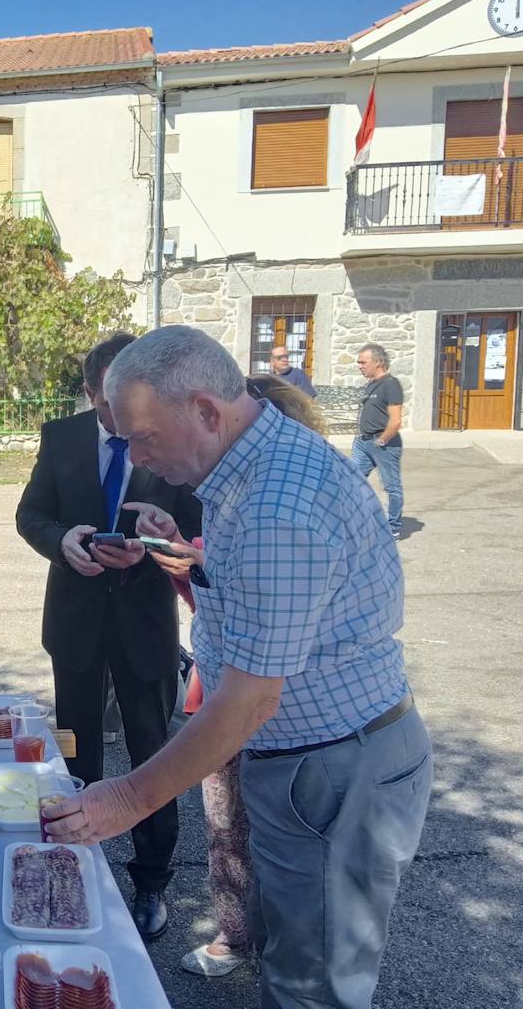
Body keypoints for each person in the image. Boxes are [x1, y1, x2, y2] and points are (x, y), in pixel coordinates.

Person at [44, 326, 432, 1009]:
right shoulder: (246, 471)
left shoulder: (272, 506)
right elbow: (252, 610)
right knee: (292, 955)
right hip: (311, 757)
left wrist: (126, 798)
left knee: (311, 986)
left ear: (205, 410)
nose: (136, 456)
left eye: (143, 437)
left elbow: (250, 699)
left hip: (336, 765)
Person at [15, 331, 202, 941]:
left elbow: (197, 531)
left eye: (128, 413)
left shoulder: (170, 437)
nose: (119, 426)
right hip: (75, 620)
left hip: (145, 624)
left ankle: (151, 882)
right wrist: (63, 543)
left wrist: (159, 543)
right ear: (92, 392)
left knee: (153, 755)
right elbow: (31, 515)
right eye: (105, 410)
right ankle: (76, 868)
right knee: (75, 753)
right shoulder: (60, 436)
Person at [153, 373, 326, 978]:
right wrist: (184, 554)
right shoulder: (229, 503)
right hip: (224, 696)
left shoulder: (281, 506)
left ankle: (285, 949)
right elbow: (219, 611)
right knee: (226, 826)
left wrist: (127, 796)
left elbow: (273, 628)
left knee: (287, 846)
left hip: (276, 710)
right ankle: (236, 934)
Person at [354, 343, 405, 540]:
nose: (360, 366)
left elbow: (396, 420)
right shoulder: (371, 384)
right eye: (359, 362)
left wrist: (382, 440)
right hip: (363, 441)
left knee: (392, 486)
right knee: (352, 481)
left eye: (363, 362)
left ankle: (394, 527)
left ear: (378, 362)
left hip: (383, 443)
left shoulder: (390, 384)